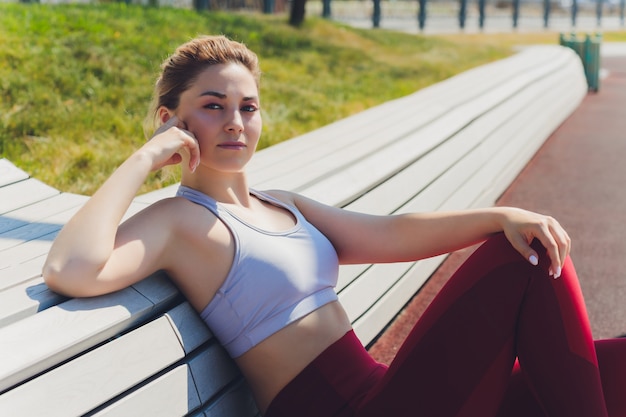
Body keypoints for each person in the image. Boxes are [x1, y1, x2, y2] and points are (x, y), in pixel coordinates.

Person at [42, 35, 626, 417]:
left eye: (247, 107)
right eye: (213, 106)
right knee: (522, 261)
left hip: (387, 393)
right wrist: (144, 159)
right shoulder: (178, 220)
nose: (235, 123)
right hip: (344, 410)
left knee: (615, 358)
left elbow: (392, 235)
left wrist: (501, 214)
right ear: (173, 120)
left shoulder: (283, 203)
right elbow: (71, 269)